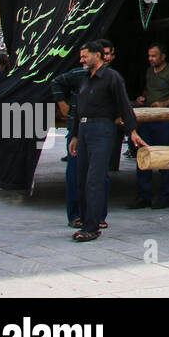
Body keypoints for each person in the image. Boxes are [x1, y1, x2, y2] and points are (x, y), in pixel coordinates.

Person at [68, 40, 147, 241]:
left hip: (102, 130)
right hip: (84, 130)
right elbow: (79, 107)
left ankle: (93, 227)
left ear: (97, 55)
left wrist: (132, 131)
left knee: (95, 179)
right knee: (82, 178)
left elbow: (123, 104)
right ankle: (85, 222)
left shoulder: (112, 78)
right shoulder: (85, 78)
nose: (82, 60)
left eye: (85, 56)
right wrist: (75, 134)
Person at [129, 43, 169, 210]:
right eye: (149, 56)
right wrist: (143, 97)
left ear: (163, 57)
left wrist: (164, 103)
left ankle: (164, 196)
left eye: (154, 56)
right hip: (148, 119)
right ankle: (143, 196)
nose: (151, 59)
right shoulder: (149, 72)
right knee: (144, 155)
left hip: (165, 121)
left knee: (165, 158)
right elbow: (149, 89)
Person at [52, 58, 104, 228]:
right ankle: (75, 215)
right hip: (78, 131)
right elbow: (56, 83)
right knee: (75, 174)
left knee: (98, 176)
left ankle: (97, 215)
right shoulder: (78, 75)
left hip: (99, 132)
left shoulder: (110, 78)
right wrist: (62, 105)